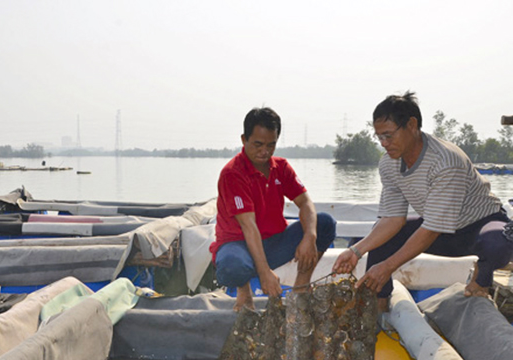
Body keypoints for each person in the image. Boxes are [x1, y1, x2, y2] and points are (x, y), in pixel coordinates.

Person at [332, 91, 513, 312]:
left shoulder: (445, 160)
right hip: (439, 229)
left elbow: (431, 229)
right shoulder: (389, 164)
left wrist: (387, 267)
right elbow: (392, 219)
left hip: (478, 225)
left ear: (412, 125)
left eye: (389, 135)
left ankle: (481, 278)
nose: (384, 143)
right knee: (381, 242)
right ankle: (377, 309)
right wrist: (356, 251)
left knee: (498, 244)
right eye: (379, 137)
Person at [211, 107, 337, 311]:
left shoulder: (281, 167)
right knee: (232, 266)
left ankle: (300, 290)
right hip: (238, 245)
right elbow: (248, 226)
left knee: (324, 223)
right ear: (244, 140)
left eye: (271, 145)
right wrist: (264, 273)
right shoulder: (232, 173)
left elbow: (305, 203)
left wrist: (310, 238)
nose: (265, 151)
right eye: (258, 144)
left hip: (273, 242)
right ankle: (244, 294)